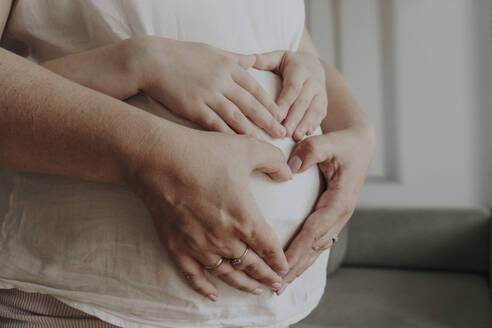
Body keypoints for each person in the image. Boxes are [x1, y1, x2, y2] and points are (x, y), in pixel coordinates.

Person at [0, 1, 375, 327]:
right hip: (75, 302)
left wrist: (356, 129)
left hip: (270, 310)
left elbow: (288, 38)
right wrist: (136, 67)